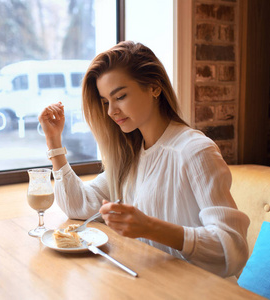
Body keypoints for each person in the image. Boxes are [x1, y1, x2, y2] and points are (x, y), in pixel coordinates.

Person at [38, 41, 250, 278]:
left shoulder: (195, 151)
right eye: (106, 101)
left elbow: (233, 249)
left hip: (197, 290)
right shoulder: (131, 154)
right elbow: (79, 205)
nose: (111, 112)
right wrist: (54, 142)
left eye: (120, 96)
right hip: (150, 283)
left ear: (154, 88)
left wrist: (150, 227)